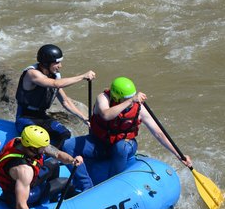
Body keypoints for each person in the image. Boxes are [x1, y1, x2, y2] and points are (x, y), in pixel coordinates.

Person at [63, 76, 193, 182]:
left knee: (121, 147)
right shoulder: (103, 98)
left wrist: (178, 155)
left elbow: (158, 133)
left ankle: (114, 182)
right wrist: (130, 101)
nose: (131, 100)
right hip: (100, 144)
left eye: (131, 97)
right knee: (68, 146)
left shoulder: (139, 108)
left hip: (124, 146)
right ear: (116, 97)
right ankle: (85, 185)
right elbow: (106, 115)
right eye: (126, 99)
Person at [0, 125, 92, 209]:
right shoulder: (24, 171)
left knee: (55, 163)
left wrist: (72, 160)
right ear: (32, 148)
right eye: (41, 148)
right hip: (16, 195)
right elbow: (21, 205)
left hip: (26, 180)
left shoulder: (21, 142)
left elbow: (58, 154)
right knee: (64, 182)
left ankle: (52, 198)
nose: (44, 149)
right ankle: (69, 205)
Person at [14, 44, 95, 149]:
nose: (60, 66)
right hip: (25, 117)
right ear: (46, 63)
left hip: (41, 116)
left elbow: (65, 101)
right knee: (37, 139)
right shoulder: (32, 74)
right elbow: (55, 84)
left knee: (65, 134)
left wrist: (83, 118)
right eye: (57, 62)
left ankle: (53, 159)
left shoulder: (54, 75)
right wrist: (82, 76)